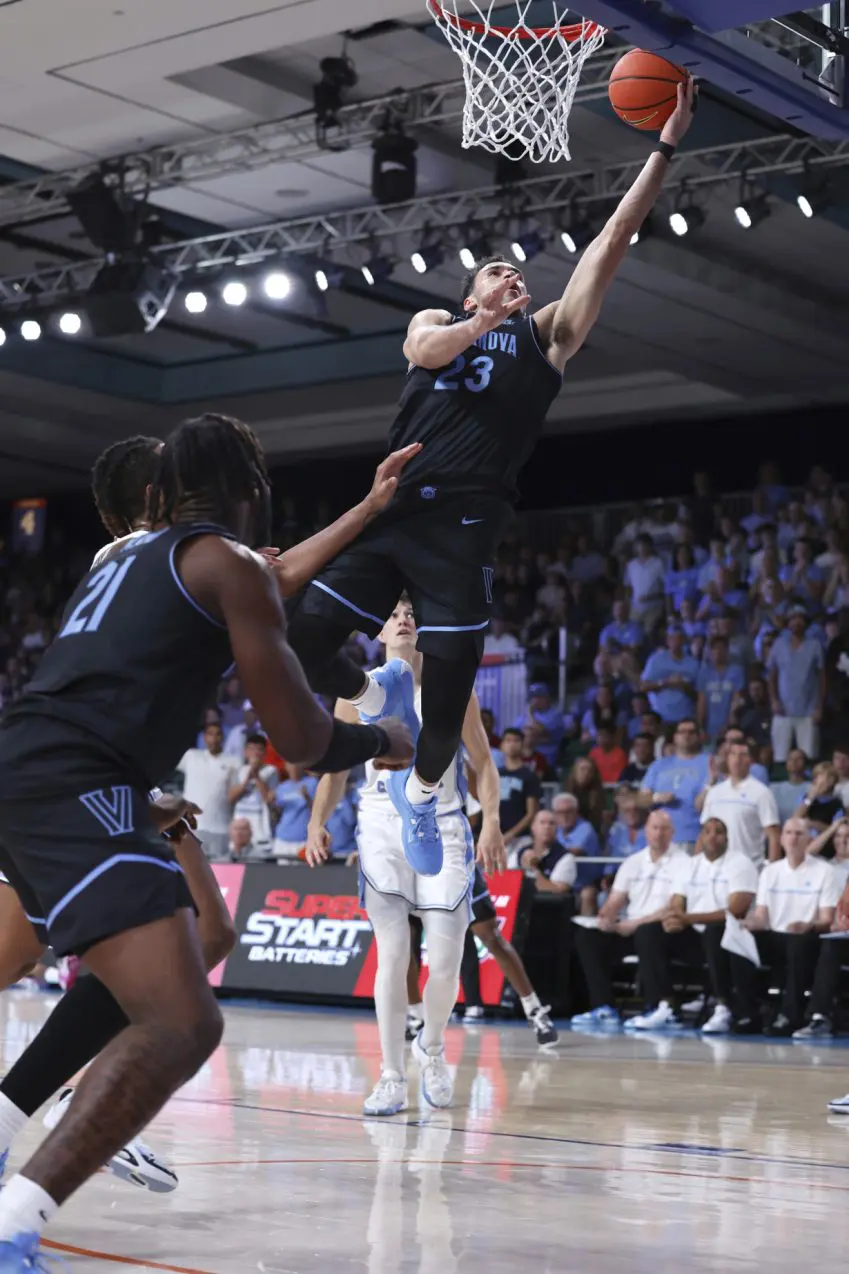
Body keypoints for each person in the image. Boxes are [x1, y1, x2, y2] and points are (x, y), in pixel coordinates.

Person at [0, 416, 415, 1267]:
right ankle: (10, 1223)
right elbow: (299, 739)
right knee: (184, 1020)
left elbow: (270, 579)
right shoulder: (221, 561)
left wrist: (369, 509)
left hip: (38, 763)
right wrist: (382, 742)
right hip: (77, 779)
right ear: (252, 490)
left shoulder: (130, 558)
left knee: (163, 955)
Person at [283, 84, 697, 877]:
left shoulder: (546, 341)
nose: (511, 274)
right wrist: (481, 321)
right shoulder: (435, 326)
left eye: (516, 272)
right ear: (467, 294)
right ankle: (374, 705)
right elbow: (424, 354)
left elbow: (611, 238)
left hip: (466, 529)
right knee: (303, 637)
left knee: (446, 720)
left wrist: (664, 148)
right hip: (396, 508)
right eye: (494, 270)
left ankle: (420, 796)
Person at [306, 598, 556, 1118]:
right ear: (377, 631)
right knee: (393, 953)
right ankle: (392, 1075)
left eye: (410, 612)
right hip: (379, 821)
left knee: (445, 960)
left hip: (443, 820)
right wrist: (317, 821)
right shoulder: (357, 691)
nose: (402, 617)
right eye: (393, 612)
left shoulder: (451, 687)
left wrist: (489, 822)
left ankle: (433, 1049)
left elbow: (484, 764)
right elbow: (334, 771)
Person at [569, 810, 686, 1031]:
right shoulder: (633, 862)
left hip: (664, 930)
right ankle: (604, 1007)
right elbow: (615, 900)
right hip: (629, 927)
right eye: (654, 828)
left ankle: (658, 1007)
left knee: (648, 932)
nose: (658, 834)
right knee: (588, 936)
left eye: (664, 829)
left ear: (672, 833)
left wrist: (634, 924)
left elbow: (674, 907)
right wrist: (606, 917)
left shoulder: (683, 862)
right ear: (646, 831)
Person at [739, 818, 841, 1035]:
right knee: (738, 941)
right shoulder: (770, 872)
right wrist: (747, 924)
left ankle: (790, 1015)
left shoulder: (824, 871)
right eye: (789, 833)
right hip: (775, 935)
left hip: (808, 936)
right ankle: (747, 1012)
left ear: (809, 840)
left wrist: (808, 925)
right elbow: (761, 917)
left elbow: (826, 920)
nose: (793, 838)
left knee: (796, 943)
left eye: (799, 834)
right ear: (782, 839)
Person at [666, 817, 758, 1035]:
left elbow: (735, 910)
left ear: (727, 838)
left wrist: (688, 918)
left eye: (718, 832)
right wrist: (675, 919)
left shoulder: (740, 863)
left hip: (730, 937)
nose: (712, 836)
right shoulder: (690, 864)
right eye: (707, 831)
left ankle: (722, 1006)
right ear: (700, 837)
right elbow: (676, 902)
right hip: (693, 935)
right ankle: (664, 1005)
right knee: (650, 933)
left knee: (714, 930)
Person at [700, 740, 780, 865]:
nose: (737, 759)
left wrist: (772, 871)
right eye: (733, 754)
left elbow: (773, 836)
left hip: (750, 866)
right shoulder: (714, 793)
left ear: (751, 760)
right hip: (716, 866)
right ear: (727, 759)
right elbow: (704, 833)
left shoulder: (762, 793)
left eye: (743, 755)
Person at [638, 718, 709, 852]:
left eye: (691, 732)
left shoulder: (709, 763)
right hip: (658, 837)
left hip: (693, 836)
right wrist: (656, 798)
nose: (686, 735)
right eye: (682, 732)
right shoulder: (658, 765)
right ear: (675, 737)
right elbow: (641, 800)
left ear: (699, 736)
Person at [767, 604, 825, 762]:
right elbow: (772, 675)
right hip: (783, 710)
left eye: (800, 618)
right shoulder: (778, 644)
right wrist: (774, 701)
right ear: (788, 622)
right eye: (793, 618)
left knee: (809, 756)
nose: (797, 622)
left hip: (808, 710)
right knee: (780, 756)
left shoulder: (815, 645)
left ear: (806, 622)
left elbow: (822, 677)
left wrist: (819, 706)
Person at [178, 721, 241, 860]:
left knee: (220, 874)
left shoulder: (234, 762)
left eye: (218, 734)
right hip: (192, 828)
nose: (214, 738)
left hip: (220, 828)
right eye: (210, 734)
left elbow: (235, 793)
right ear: (204, 737)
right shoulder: (191, 756)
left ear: (223, 738)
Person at [228, 732, 279, 853]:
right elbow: (231, 798)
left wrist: (257, 776)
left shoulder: (271, 771)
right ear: (245, 752)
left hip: (261, 830)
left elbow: (269, 799)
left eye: (259, 749)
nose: (255, 753)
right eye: (251, 749)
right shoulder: (239, 770)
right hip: (240, 827)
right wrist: (246, 780)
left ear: (264, 753)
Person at [640, 623, 699, 726]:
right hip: (660, 717)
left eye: (678, 638)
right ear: (667, 640)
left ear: (683, 640)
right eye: (672, 638)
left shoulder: (693, 664)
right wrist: (666, 682)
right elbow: (643, 687)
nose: (675, 642)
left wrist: (684, 687)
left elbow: (698, 695)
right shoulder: (656, 660)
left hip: (685, 717)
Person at [497, 727, 541, 848]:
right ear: (502, 745)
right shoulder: (494, 774)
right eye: (508, 740)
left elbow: (531, 812)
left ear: (522, 745)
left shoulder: (529, 776)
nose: (512, 744)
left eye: (516, 741)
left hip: (521, 839)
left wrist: (511, 835)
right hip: (495, 835)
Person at [696, 635, 745, 744]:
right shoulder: (704, 673)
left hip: (729, 726)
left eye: (722, 648)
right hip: (709, 728)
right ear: (710, 652)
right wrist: (700, 728)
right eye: (715, 648)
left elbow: (736, 701)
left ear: (727, 651)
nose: (718, 652)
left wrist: (728, 726)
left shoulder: (736, 671)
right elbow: (701, 703)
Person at [770, 746, 809, 825]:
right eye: (790, 759)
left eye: (798, 759)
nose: (794, 762)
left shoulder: (811, 788)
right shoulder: (773, 788)